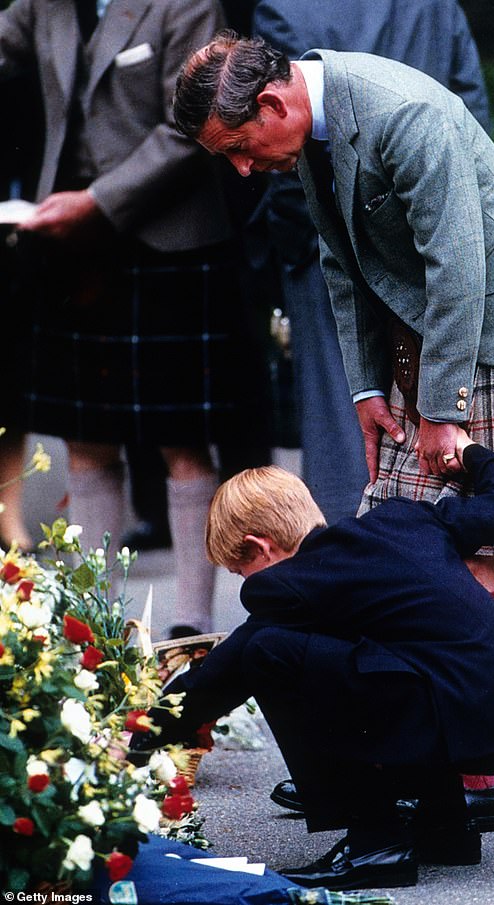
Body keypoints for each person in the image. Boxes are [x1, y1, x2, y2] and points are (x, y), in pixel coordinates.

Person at [171, 28, 494, 810]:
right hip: (434, 324)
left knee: (469, 539)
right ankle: (429, 761)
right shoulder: (306, 132)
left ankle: (470, 772)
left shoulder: (401, 113)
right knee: (412, 532)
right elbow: (342, 264)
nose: (243, 167)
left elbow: (459, 264)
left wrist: (441, 409)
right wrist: (365, 387)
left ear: (274, 103)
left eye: (240, 146)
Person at [132, 435, 494, 891]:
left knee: (269, 650)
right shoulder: (407, 518)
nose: (245, 583)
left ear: (259, 547)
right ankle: (445, 828)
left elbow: (228, 667)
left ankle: (374, 842)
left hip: (465, 719)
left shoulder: (285, 583)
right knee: (404, 655)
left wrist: (142, 733)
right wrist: (471, 455)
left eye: (238, 569)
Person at [0, 2, 271, 636]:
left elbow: (193, 125)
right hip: (69, 243)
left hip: (167, 239)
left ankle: (189, 630)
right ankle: (101, 631)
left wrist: (98, 203)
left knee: (182, 441)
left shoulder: (187, 4)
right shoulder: (44, 3)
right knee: (86, 440)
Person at [250, 0, 490, 524]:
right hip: (432, 243)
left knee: (343, 430)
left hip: (327, 246)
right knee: (439, 418)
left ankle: (349, 570)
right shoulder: (434, 4)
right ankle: (437, 562)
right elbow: (470, 108)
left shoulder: (282, 10)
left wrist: (300, 241)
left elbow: (271, 139)